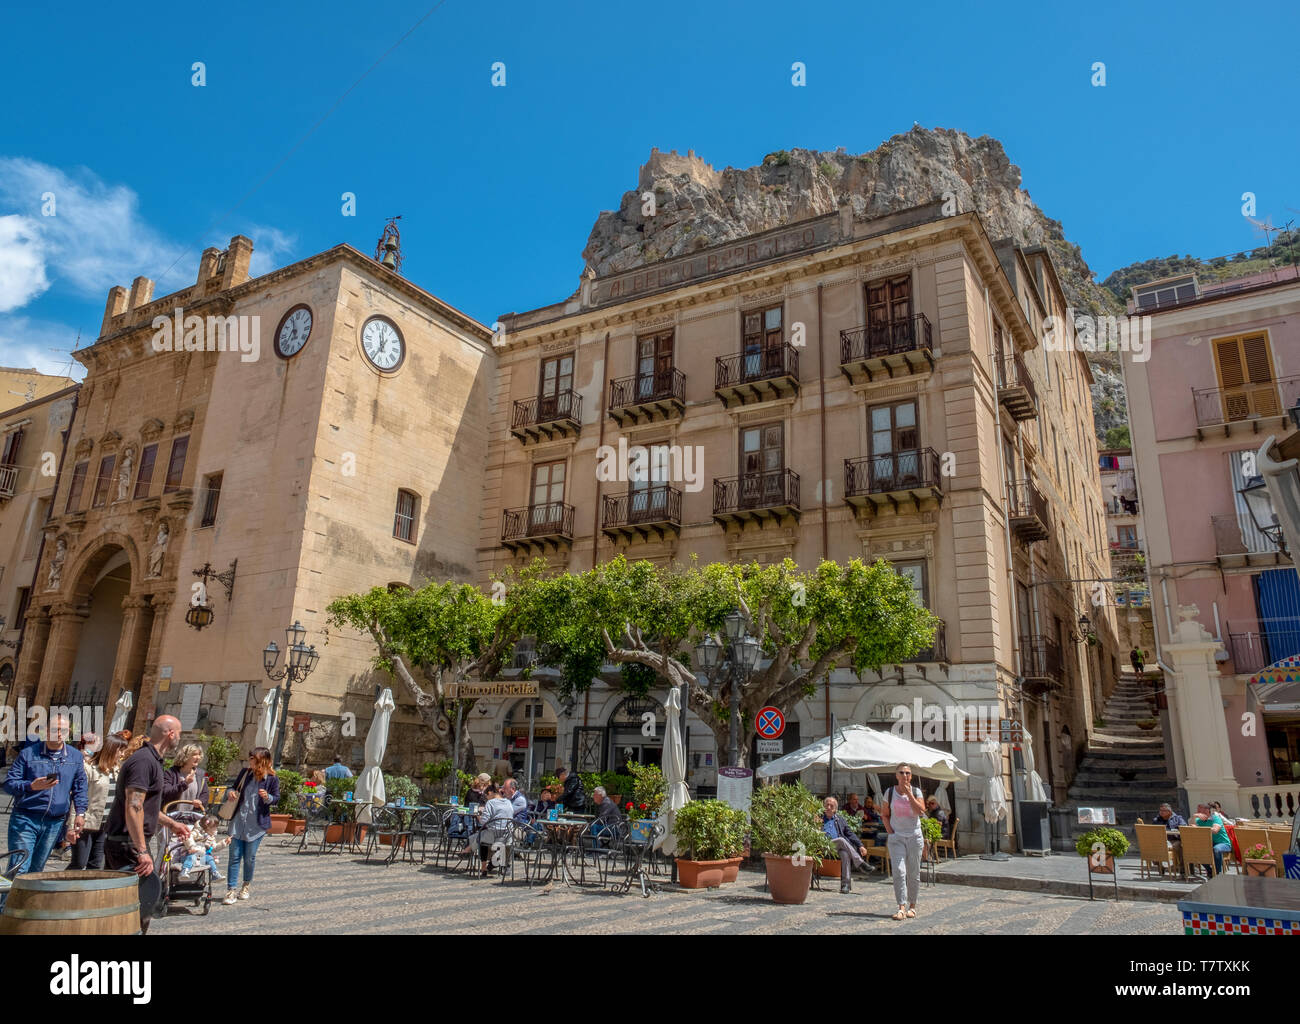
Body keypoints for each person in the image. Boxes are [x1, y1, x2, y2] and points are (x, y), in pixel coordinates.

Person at [103, 715, 191, 934]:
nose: (179, 737)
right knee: (137, 908)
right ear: (170, 733)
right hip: (127, 845)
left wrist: (171, 823)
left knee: (135, 907)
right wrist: (141, 850)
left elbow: (146, 807)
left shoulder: (153, 761)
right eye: (178, 732)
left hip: (130, 842)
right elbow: (133, 806)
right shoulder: (144, 761)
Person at [4, 714, 88, 877]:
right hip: (26, 818)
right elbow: (9, 784)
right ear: (46, 731)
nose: (59, 733)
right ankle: (5, 903)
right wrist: (30, 786)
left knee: (36, 871)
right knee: (19, 867)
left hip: (54, 822)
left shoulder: (75, 756)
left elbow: (80, 787)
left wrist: (80, 813)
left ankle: (26, 903)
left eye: (63, 730)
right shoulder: (28, 754)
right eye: (55, 729)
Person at [220, 747, 280, 906]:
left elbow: (276, 799)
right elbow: (233, 787)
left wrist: (268, 797)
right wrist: (231, 792)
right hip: (238, 822)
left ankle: (245, 886)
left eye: (253, 758)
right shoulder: (245, 773)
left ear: (262, 760)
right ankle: (231, 890)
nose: (250, 760)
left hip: (256, 826)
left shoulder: (272, 779)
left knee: (249, 858)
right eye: (250, 757)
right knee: (234, 856)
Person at [67, 732, 128, 870]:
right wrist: (72, 826)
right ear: (111, 749)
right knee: (79, 863)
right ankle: (62, 889)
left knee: (96, 864)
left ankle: (87, 891)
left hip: (105, 825)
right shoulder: (88, 768)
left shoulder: (117, 771)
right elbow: (77, 797)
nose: (122, 755)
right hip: (85, 823)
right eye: (121, 751)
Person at [881, 763, 926, 921]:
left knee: (913, 873)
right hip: (897, 838)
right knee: (899, 872)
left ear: (911, 776)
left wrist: (909, 795)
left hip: (914, 836)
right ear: (897, 775)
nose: (905, 775)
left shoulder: (916, 791)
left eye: (908, 773)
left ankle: (912, 906)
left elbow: (920, 811)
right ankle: (901, 907)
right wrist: (890, 832)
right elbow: (884, 814)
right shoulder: (890, 792)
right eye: (902, 772)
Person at [821, 797, 871, 893]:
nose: (828, 807)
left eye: (831, 806)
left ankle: (845, 885)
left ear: (835, 809)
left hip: (836, 847)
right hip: (823, 846)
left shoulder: (840, 819)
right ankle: (860, 863)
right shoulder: (819, 818)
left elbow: (850, 833)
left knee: (845, 853)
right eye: (826, 805)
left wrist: (860, 845)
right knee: (841, 840)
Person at [463, 783, 513, 875]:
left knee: (479, 839)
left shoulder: (490, 803)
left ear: (490, 793)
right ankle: (468, 850)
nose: (486, 798)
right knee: (480, 836)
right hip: (506, 837)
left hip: (492, 836)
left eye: (486, 795)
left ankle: (478, 862)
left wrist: (478, 815)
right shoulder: (508, 802)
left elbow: (483, 821)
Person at [179, 813, 231, 879]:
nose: (216, 830)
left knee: (210, 858)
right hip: (189, 855)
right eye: (214, 828)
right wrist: (192, 847)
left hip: (201, 857)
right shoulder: (196, 833)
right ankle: (184, 871)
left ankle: (214, 873)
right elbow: (188, 837)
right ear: (208, 828)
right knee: (191, 857)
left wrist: (224, 843)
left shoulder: (210, 837)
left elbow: (214, 847)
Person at [1192, 802, 1233, 875]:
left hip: (1223, 843)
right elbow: (1192, 829)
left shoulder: (1215, 818)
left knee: (1216, 849)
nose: (1198, 813)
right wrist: (1194, 817)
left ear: (1207, 811)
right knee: (1196, 850)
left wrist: (1199, 829)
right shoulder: (1199, 820)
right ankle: (1210, 870)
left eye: (1199, 811)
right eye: (1197, 812)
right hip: (1209, 844)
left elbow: (1215, 830)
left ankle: (1217, 872)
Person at [166, 743, 207, 812]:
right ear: (185, 756)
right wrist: (185, 783)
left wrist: (200, 801)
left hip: (192, 817)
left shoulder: (200, 774)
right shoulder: (171, 773)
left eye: (199, 755)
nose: (198, 757)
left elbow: (205, 793)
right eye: (194, 754)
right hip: (173, 816)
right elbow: (166, 793)